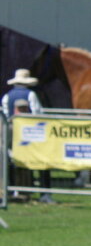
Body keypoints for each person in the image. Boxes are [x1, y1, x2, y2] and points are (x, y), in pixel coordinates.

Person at [2, 68, 55, 202]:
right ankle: (43, 193)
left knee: (11, 161)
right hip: (28, 133)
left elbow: (4, 114)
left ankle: (13, 189)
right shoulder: (31, 94)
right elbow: (38, 113)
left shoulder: (7, 96)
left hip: (10, 131)